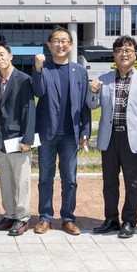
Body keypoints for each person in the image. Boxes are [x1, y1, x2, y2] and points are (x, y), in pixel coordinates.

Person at [88, 35, 137, 238]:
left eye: (128, 50)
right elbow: (92, 105)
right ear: (114, 55)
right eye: (119, 50)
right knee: (109, 182)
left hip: (133, 138)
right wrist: (93, 92)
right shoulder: (104, 79)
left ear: (135, 55)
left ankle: (129, 221)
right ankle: (111, 219)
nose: (123, 54)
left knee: (132, 183)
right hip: (110, 138)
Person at [31, 26, 91, 236]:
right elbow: (38, 91)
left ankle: (68, 218)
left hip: (70, 134)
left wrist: (85, 130)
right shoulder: (44, 68)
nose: (60, 44)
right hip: (47, 132)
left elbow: (85, 104)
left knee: (70, 179)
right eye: (56, 41)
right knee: (45, 178)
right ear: (49, 45)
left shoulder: (80, 71)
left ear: (71, 45)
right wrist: (37, 69)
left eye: (64, 41)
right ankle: (45, 217)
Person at [0, 42, 36, 237]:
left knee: (21, 181)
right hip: (1, 139)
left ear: (10, 56)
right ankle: (9, 214)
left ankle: (22, 217)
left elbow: (29, 110)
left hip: (19, 140)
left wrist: (28, 139)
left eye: (1, 54)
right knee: (6, 181)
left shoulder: (23, 79)